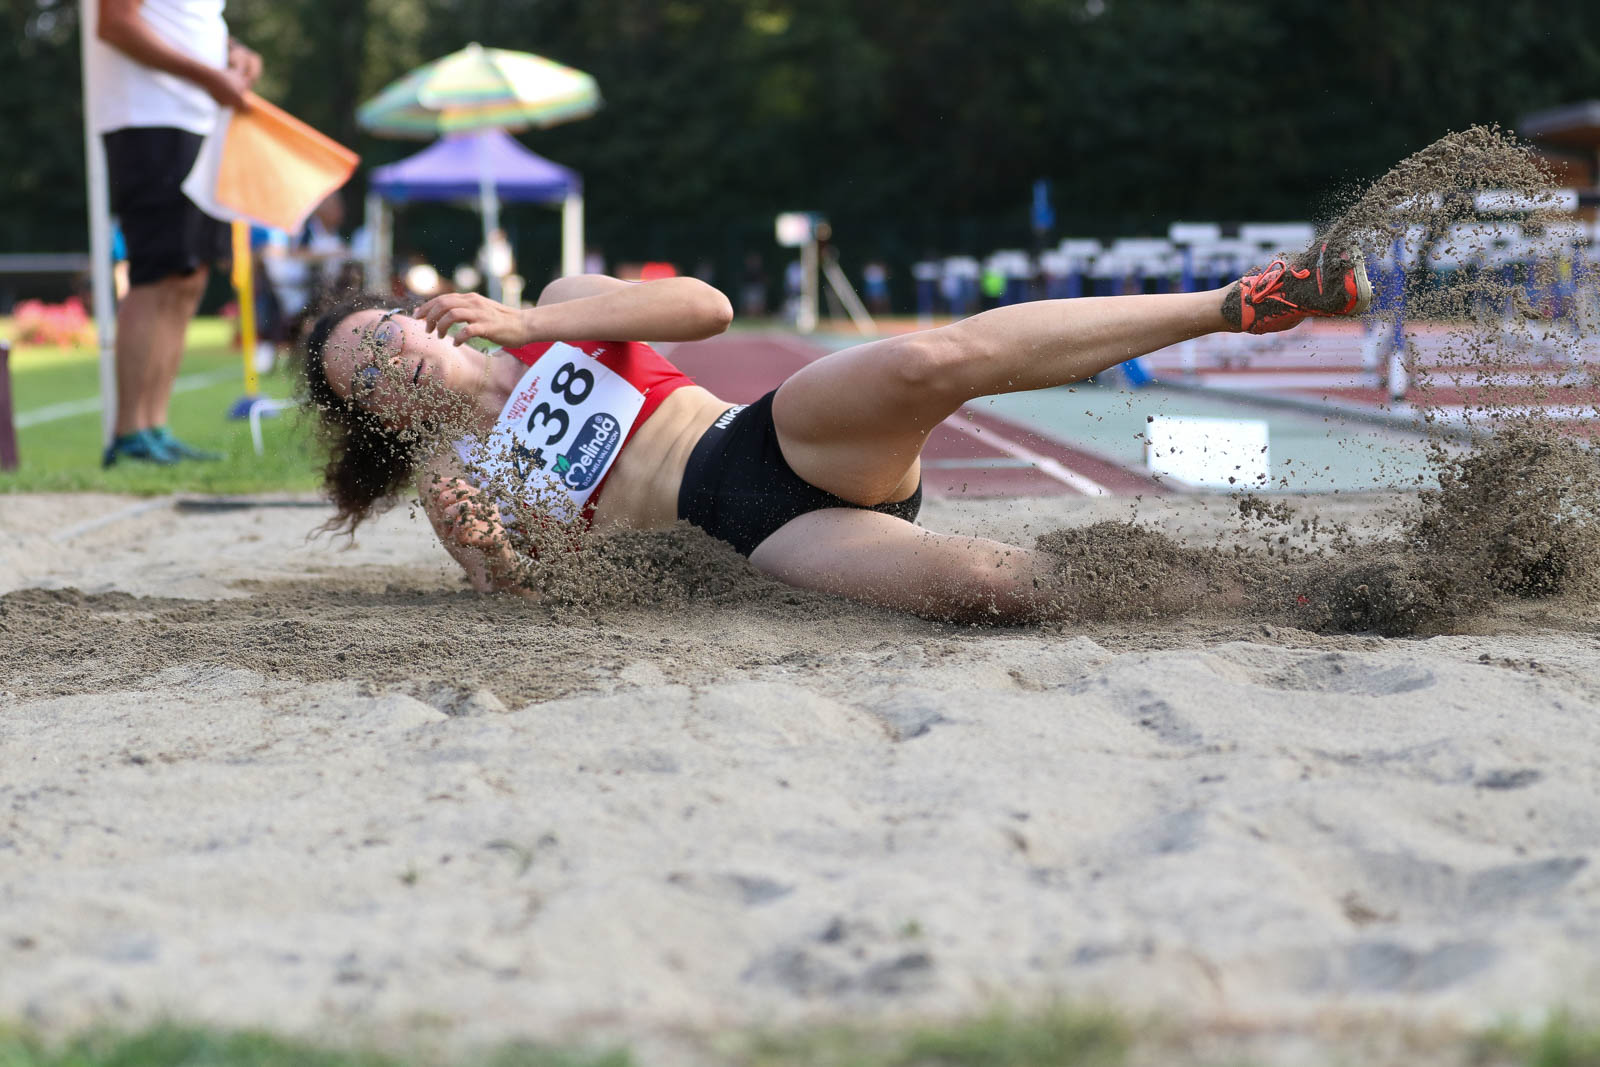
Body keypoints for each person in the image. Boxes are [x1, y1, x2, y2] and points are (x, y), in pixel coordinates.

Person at [300, 245, 1371, 621]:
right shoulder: (456, 477)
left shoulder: (557, 308)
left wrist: (536, 327)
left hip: (766, 439)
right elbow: (526, 592)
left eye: (385, 339)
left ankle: (1235, 302)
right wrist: (490, 555)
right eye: (369, 382)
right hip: (755, 537)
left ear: (419, 315)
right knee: (991, 588)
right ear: (379, 420)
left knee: (928, 361)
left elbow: (708, 309)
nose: (394, 367)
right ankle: (1279, 596)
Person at [88, 0, 262, 466]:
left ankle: (154, 427)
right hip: (149, 120)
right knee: (158, 273)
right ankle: (130, 434)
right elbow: (116, 24)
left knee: (190, 276)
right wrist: (210, 77)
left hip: (201, 120)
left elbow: (181, 20)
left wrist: (233, 51)